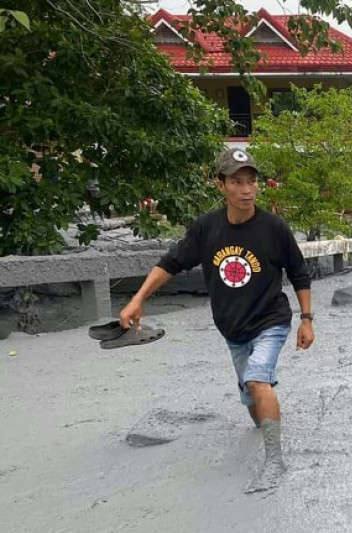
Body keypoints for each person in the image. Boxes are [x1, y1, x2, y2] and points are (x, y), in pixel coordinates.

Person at [118, 147, 314, 494]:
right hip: (232, 328)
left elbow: (299, 273)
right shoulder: (206, 228)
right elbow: (171, 263)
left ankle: (274, 461)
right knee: (252, 399)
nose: (246, 190)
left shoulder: (274, 228)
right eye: (236, 182)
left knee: (256, 379)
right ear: (220, 185)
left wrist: (307, 319)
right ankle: (264, 415)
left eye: (251, 181)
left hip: (271, 320)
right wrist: (137, 299)